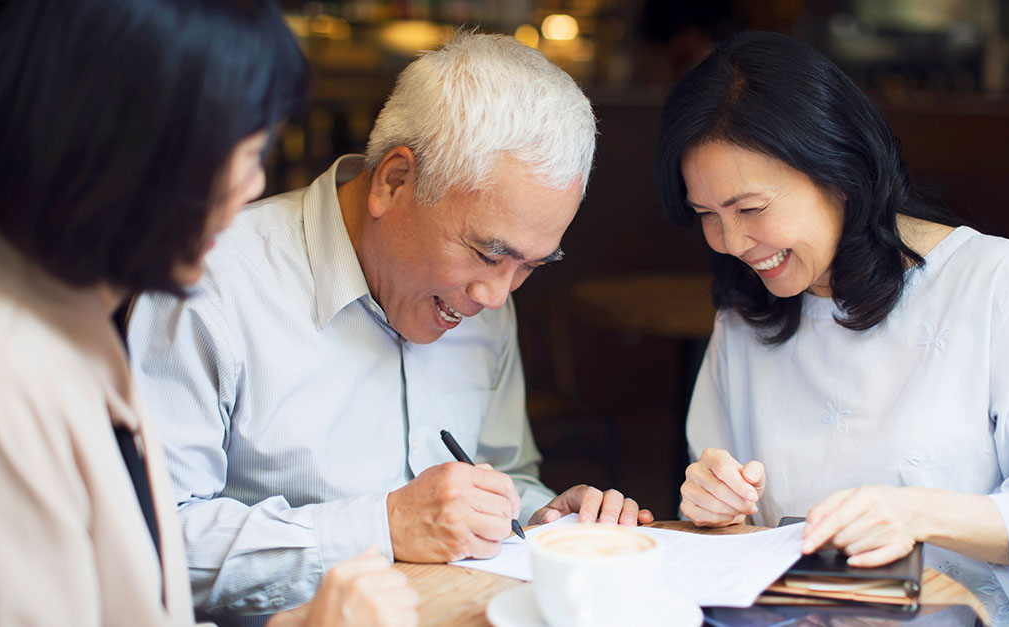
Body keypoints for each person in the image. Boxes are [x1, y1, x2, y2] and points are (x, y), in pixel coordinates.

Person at [126, 30, 653, 624]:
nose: (497, 295)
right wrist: (385, 526)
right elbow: (148, 541)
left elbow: (505, 472)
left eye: (528, 267)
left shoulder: (485, 301)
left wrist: (539, 518)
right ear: (393, 181)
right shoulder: (210, 284)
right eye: (486, 253)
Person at [657, 31, 1009, 626]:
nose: (730, 243)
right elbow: (741, 538)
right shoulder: (746, 317)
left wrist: (916, 514)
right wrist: (715, 507)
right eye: (706, 216)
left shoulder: (992, 280)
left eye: (750, 209)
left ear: (839, 170)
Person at [0, 1, 418, 625]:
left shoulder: (72, 312)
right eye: (245, 151)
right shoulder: (4, 379)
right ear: (133, 149)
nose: (255, 185)